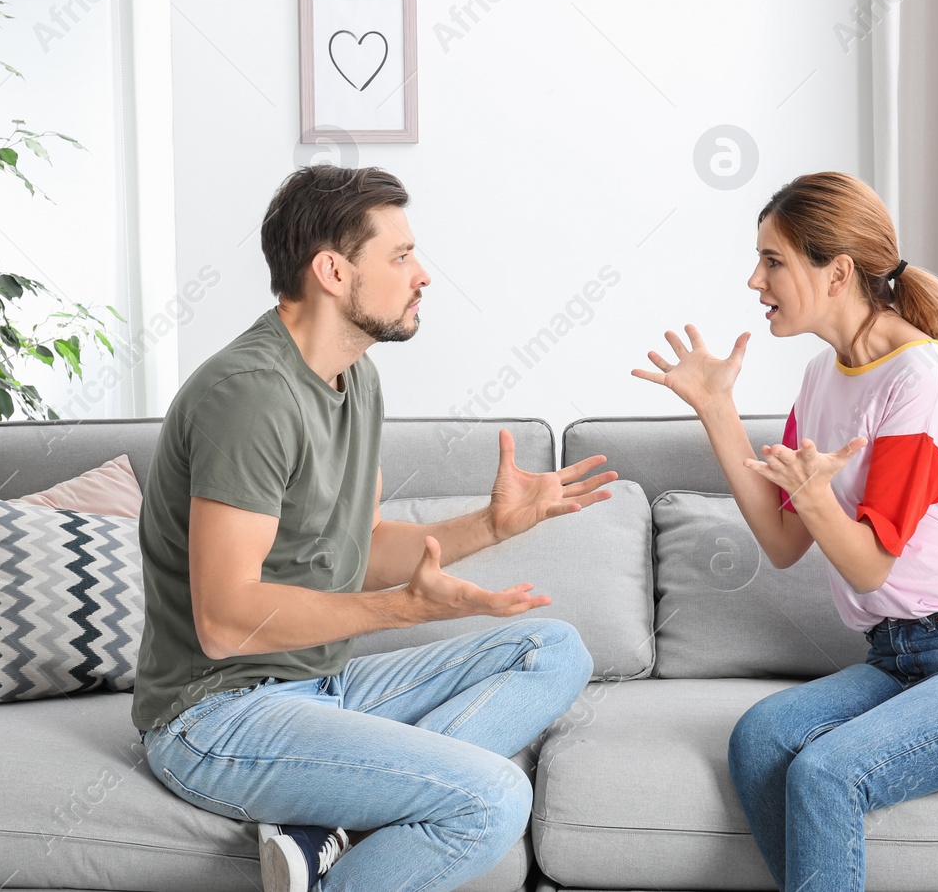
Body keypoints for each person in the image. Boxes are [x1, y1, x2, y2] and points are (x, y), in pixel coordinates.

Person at [132, 164, 609, 892]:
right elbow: (224, 622)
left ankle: (328, 820)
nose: (422, 275)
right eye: (400, 255)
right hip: (218, 714)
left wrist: (492, 523)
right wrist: (398, 611)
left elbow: (354, 552)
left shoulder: (356, 379)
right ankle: (344, 819)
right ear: (332, 270)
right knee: (494, 797)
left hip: (319, 685)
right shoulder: (250, 397)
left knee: (554, 648)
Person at [631, 171, 938, 892]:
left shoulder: (916, 381)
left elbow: (870, 566)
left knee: (827, 772)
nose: (754, 278)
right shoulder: (823, 376)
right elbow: (783, 542)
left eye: (773, 260)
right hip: (898, 655)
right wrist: (716, 407)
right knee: (761, 737)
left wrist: (817, 499)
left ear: (835, 272)